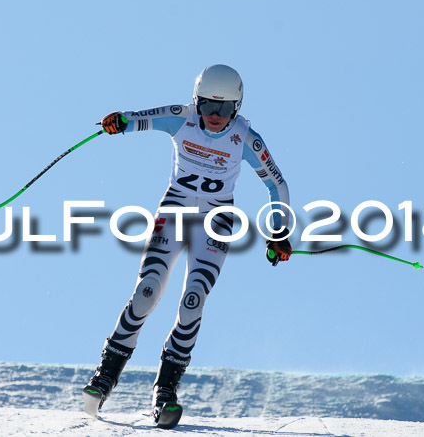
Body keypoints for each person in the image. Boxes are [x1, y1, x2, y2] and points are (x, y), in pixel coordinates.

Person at [82, 64, 292, 427]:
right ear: (196, 101)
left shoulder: (245, 138)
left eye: (225, 109)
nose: (215, 116)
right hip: (174, 214)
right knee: (147, 292)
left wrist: (280, 232)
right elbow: (139, 119)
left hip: (216, 223)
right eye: (209, 105)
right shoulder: (183, 118)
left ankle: (166, 391)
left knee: (193, 301)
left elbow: (277, 185)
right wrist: (119, 121)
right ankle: (106, 374)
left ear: (237, 108)